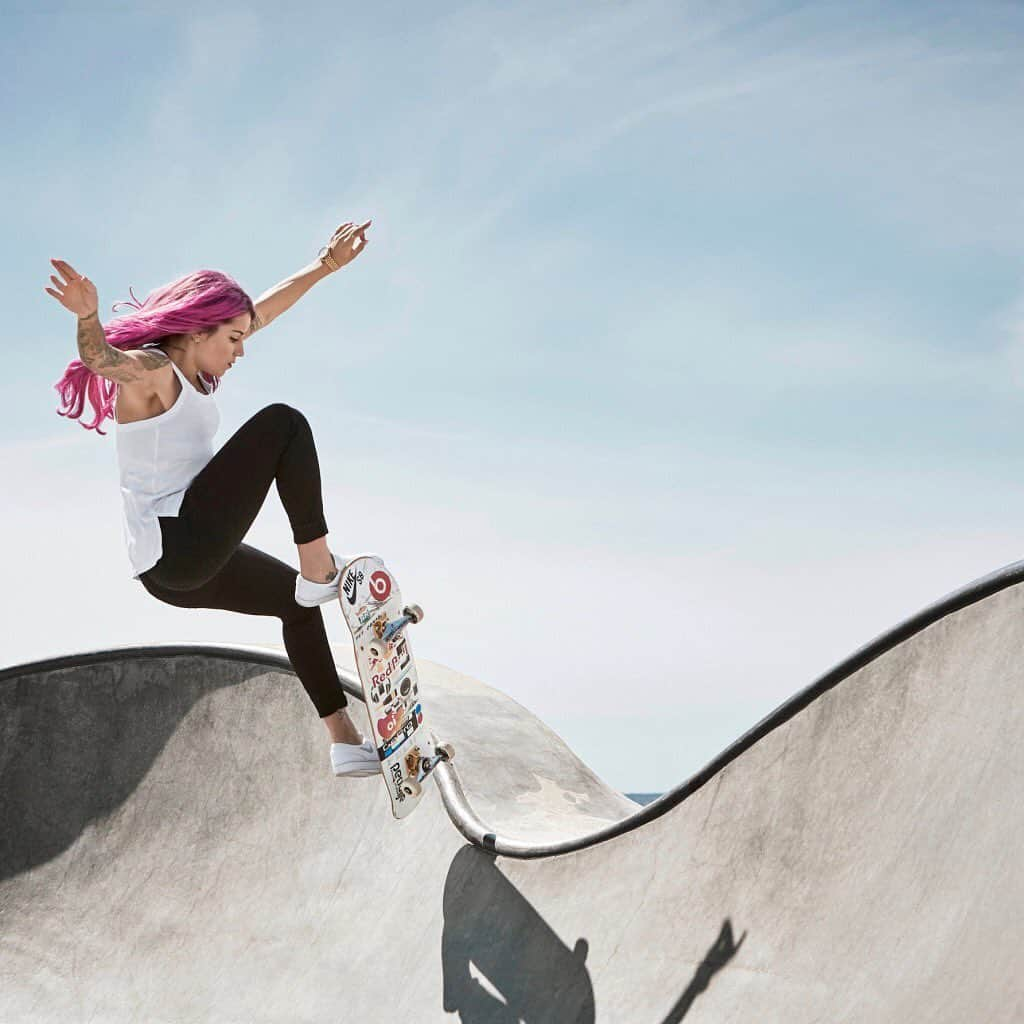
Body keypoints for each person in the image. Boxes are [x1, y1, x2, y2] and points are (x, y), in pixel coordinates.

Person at [46, 221, 380, 779]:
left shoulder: (197, 373)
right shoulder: (153, 370)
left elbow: (264, 312)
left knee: (295, 605)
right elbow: (104, 360)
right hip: (178, 545)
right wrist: (87, 317)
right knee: (284, 425)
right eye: (233, 340)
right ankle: (318, 565)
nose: (242, 351)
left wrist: (324, 266)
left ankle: (344, 741)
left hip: (177, 571)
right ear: (199, 330)